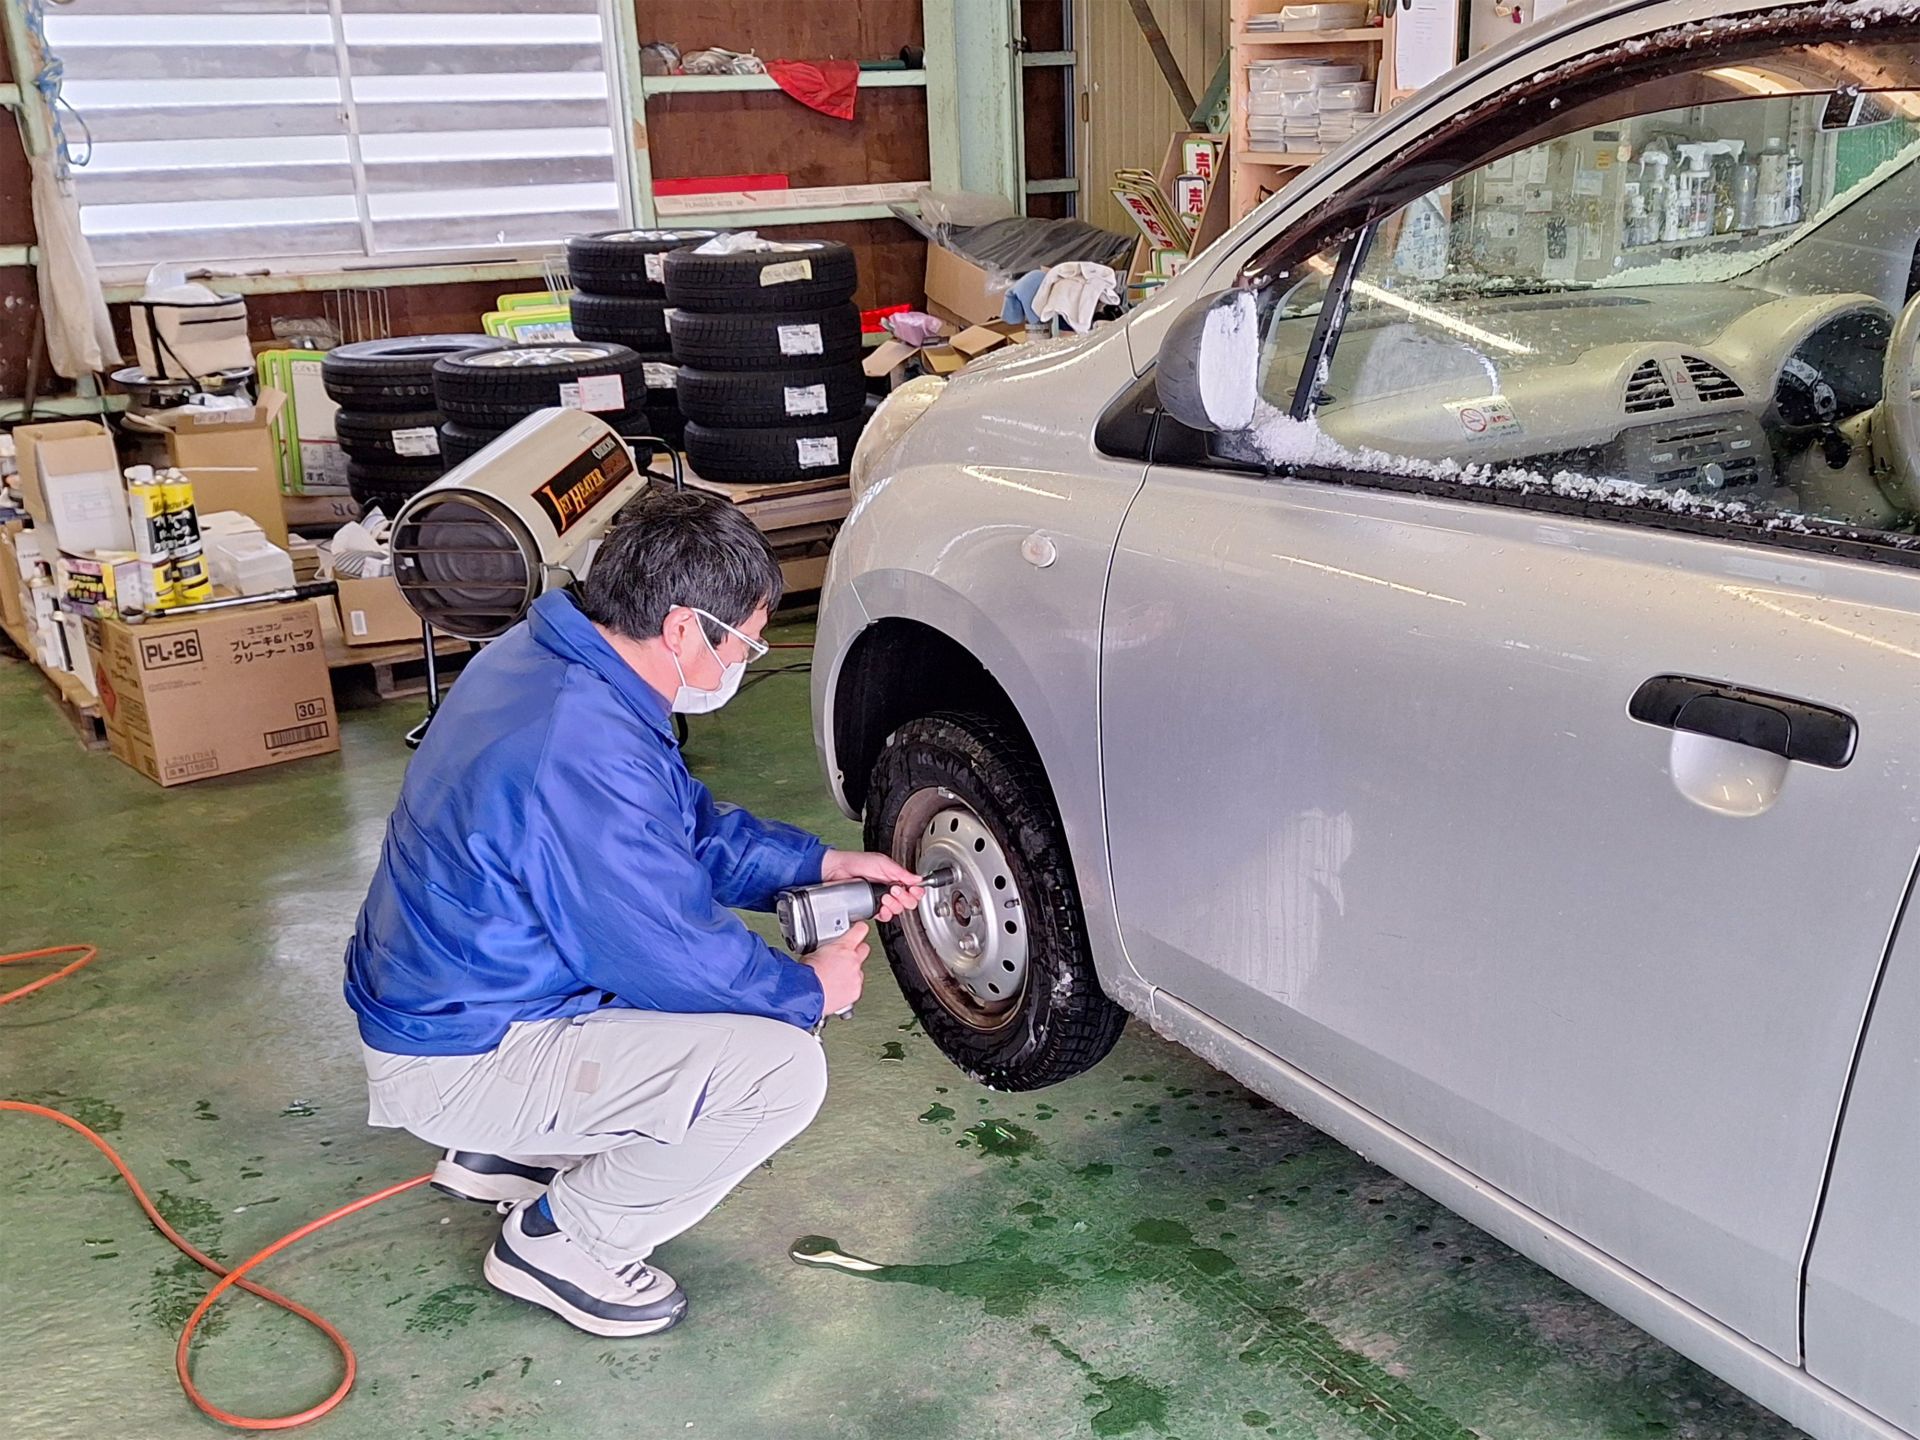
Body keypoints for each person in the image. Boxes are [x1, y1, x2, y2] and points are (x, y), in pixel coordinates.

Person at [342, 484, 922, 1338]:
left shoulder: (553, 662)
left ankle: (512, 1150)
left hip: (466, 998)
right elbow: (662, 949)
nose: (740, 664)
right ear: (686, 627)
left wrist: (820, 861)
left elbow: (673, 827)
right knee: (775, 1074)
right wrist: (810, 992)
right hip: (464, 1051)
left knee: (708, 1019)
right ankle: (561, 1243)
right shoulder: (578, 742)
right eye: (745, 647)